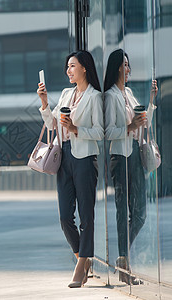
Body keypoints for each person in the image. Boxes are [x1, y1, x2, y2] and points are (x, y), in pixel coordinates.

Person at [37, 50, 103, 288]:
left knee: (86, 215)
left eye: (72, 66)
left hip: (85, 158)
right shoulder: (66, 94)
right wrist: (45, 102)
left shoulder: (96, 97)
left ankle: (80, 266)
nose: (68, 71)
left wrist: (76, 129)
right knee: (65, 217)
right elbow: (52, 125)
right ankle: (82, 259)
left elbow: (101, 132)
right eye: (67, 67)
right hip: (64, 157)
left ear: (84, 68)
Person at [104, 49, 158, 284]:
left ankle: (123, 258)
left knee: (140, 214)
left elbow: (142, 126)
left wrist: (151, 102)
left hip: (135, 155)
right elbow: (106, 132)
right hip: (120, 157)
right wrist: (129, 126)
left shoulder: (129, 93)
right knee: (122, 210)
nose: (129, 69)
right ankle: (124, 262)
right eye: (125, 65)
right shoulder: (110, 96)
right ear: (117, 67)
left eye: (129, 65)